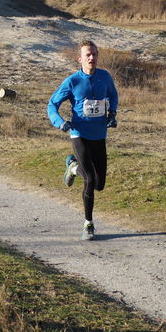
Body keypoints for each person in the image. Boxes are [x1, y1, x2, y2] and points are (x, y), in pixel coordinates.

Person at [47, 40, 119, 240]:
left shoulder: (105, 77)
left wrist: (112, 112)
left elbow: (113, 95)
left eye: (94, 54)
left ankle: (72, 167)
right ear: (80, 59)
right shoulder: (72, 81)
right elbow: (52, 104)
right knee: (89, 179)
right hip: (79, 134)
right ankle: (88, 224)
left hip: (99, 135)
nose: (91, 58)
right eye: (87, 55)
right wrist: (60, 122)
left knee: (99, 184)